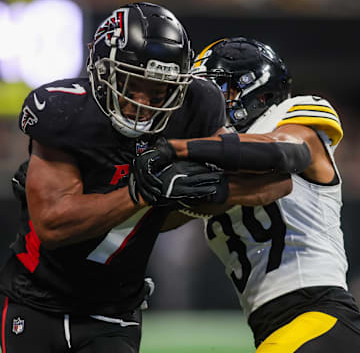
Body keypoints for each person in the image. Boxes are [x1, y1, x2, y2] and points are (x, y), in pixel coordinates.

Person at [0, 2, 233, 353]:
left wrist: (192, 195)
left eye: (159, 90)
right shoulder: (64, 111)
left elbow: (237, 184)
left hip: (113, 312)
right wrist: (139, 193)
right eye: (131, 83)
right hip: (34, 301)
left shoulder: (197, 107)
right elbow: (52, 225)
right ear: (100, 69)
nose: (142, 103)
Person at [138, 37, 360, 351]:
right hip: (276, 328)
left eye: (217, 91)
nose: (203, 104)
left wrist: (178, 149)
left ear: (256, 90)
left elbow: (283, 152)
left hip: (319, 314)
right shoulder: (212, 160)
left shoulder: (291, 114)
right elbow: (150, 220)